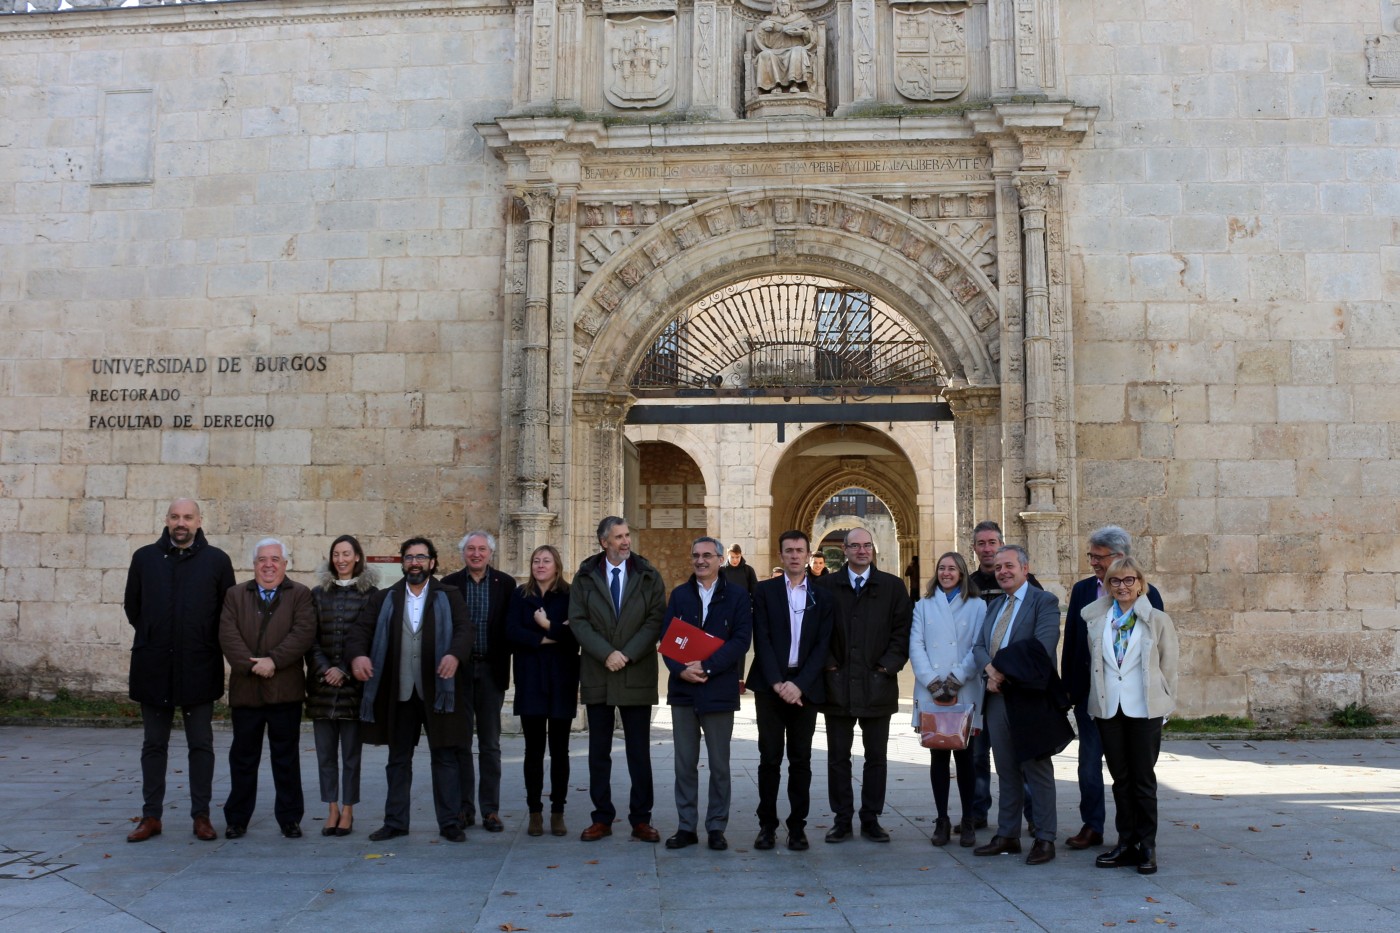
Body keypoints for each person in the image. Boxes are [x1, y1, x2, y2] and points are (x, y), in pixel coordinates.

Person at [123, 498, 236, 843]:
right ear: (167, 520)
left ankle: (201, 816)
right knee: (153, 744)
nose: (181, 523)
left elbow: (226, 611)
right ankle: (151, 816)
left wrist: (201, 639)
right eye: (175, 517)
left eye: (188, 517)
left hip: (198, 666)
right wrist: (155, 633)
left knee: (200, 744)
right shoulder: (144, 558)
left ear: (200, 521)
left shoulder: (217, 561)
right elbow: (133, 607)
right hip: (153, 665)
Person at [348, 537, 473, 842]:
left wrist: (454, 655)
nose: (414, 562)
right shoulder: (384, 598)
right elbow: (360, 631)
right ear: (402, 563)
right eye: (409, 557)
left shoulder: (450, 595)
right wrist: (358, 655)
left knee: (444, 758)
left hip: (439, 694)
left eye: (421, 557)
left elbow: (464, 630)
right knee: (398, 759)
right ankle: (395, 822)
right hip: (400, 691)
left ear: (432, 562)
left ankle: (449, 822)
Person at [1060, 526, 1165, 852]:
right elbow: (1074, 645)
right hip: (1094, 699)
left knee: (1136, 774)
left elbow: (1161, 653)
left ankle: (1138, 839)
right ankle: (1094, 827)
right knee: (1089, 766)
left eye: (1098, 556)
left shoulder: (1150, 595)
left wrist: (1163, 701)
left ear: (1120, 557)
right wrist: (1069, 691)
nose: (1092, 562)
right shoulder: (1081, 592)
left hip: (1136, 703)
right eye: (1090, 555)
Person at [972, 545, 1072, 865]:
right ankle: (1007, 835)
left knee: (1036, 769)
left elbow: (1040, 648)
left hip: (1030, 700)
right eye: (998, 567)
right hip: (997, 699)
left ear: (1025, 569)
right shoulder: (994, 606)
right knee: (1005, 769)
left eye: (1009, 566)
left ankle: (1045, 838)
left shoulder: (1044, 602)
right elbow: (977, 646)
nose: (1002, 571)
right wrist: (989, 672)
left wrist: (999, 671)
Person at [569, 516, 666, 843]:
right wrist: (606, 653)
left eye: (627, 535)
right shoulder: (584, 577)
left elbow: (656, 618)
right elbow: (578, 621)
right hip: (598, 672)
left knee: (639, 751)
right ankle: (602, 817)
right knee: (599, 751)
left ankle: (641, 819)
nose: (626, 541)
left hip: (636, 672)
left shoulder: (648, 575)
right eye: (619, 537)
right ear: (604, 542)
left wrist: (627, 653)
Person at [817, 527, 913, 843]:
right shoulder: (827, 585)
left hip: (878, 685)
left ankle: (871, 817)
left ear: (873, 549)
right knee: (838, 757)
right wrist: (829, 663)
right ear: (844, 550)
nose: (862, 550)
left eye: (867, 545)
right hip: (837, 685)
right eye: (855, 546)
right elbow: (817, 631)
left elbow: (902, 631)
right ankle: (842, 819)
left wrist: (887, 665)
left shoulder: (892, 586)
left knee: (876, 757)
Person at [1085, 556, 1179, 875]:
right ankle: (1126, 842)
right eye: (1115, 581)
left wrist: (1166, 705)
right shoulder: (1097, 621)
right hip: (1110, 708)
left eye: (1129, 580)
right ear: (1108, 586)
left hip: (1145, 709)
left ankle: (1147, 845)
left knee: (1143, 779)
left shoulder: (1157, 621)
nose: (1122, 586)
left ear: (1140, 584)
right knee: (1120, 779)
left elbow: (1169, 667)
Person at [219, 538, 317, 839]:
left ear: (285, 564)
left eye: (275, 559)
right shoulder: (235, 595)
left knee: (285, 758)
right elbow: (228, 634)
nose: (269, 565)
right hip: (246, 691)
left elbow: (303, 633)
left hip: (284, 691)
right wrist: (252, 665)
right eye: (263, 559)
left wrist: (273, 660)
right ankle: (237, 819)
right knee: (243, 758)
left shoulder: (300, 594)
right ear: (254, 564)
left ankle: (289, 818)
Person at [661, 537, 753, 851]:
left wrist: (709, 667)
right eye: (696, 555)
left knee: (719, 764)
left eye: (707, 556)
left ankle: (716, 827)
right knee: (684, 763)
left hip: (718, 690)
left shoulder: (737, 595)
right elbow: (667, 638)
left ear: (719, 559)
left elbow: (741, 640)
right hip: (684, 691)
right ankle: (687, 827)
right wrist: (679, 669)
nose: (700, 561)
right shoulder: (680, 595)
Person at [748, 530, 834, 851]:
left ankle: (797, 827)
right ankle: (766, 826)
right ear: (781, 555)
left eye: (800, 550)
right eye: (789, 550)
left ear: (809, 555)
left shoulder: (822, 595)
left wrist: (799, 685)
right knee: (769, 758)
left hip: (805, 688)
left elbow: (823, 644)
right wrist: (778, 683)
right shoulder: (765, 591)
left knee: (801, 760)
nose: (795, 555)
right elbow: (763, 639)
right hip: (771, 687)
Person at [967, 519, 1041, 831]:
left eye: (992, 543)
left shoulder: (1030, 585)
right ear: (974, 550)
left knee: (1021, 756)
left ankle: (1033, 817)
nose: (987, 549)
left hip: (1015, 683)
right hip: (979, 681)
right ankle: (978, 811)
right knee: (977, 755)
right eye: (981, 544)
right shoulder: (967, 585)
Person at [440, 531, 516, 833]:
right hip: (459, 672)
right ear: (463, 553)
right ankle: (464, 808)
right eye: (470, 549)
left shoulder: (505, 585)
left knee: (490, 744)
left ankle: (490, 810)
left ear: (490, 553)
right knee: (460, 742)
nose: (476, 554)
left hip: (491, 670)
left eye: (481, 549)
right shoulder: (449, 584)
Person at [909, 552, 984, 848]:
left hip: (963, 689)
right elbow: (916, 644)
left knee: (966, 758)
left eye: (952, 568)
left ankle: (968, 819)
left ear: (963, 573)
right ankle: (941, 818)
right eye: (941, 568)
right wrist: (933, 682)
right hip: (932, 691)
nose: (946, 573)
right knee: (938, 755)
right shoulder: (924, 605)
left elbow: (978, 644)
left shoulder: (978, 606)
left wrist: (955, 680)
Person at [505, 544, 579, 838]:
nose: (540, 565)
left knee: (560, 750)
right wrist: (549, 636)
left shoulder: (570, 595)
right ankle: (535, 811)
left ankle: (557, 812)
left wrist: (544, 625)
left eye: (546, 561)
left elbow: (575, 636)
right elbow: (511, 632)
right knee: (533, 750)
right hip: (531, 679)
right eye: (536, 560)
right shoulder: (520, 595)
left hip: (561, 680)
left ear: (557, 566)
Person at [306, 534, 377, 837]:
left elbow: (370, 638)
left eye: (347, 554)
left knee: (350, 753)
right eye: (336, 554)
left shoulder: (371, 595)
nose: (341, 560)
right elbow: (310, 638)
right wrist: (326, 669)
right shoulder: (318, 594)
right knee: (324, 753)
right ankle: (331, 808)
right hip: (323, 685)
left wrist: (345, 670)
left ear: (357, 557)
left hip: (352, 687)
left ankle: (348, 809)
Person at [754, 0, 818, 92]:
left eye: (786, 3)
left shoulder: (801, 18)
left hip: (795, 48)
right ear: (776, 5)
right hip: (775, 51)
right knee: (765, 54)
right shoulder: (769, 19)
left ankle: (794, 84)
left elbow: (814, 38)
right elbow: (758, 44)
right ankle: (775, 86)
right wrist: (762, 28)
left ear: (791, 4)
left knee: (797, 51)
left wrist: (802, 33)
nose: (783, 5)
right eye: (781, 3)